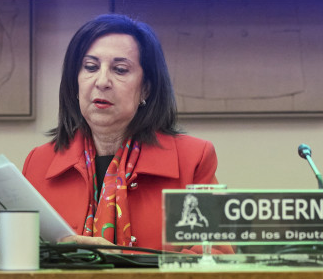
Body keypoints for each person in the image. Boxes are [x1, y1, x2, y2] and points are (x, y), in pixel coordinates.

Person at [18, 13, 222, 251]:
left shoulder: (193, 159)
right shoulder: (39, 163)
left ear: (145, 89)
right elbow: (24, 260)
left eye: (121, 70)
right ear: (75, 83)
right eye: (91, 67)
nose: (102, 81)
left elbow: (216, 259)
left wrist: (128, 265)